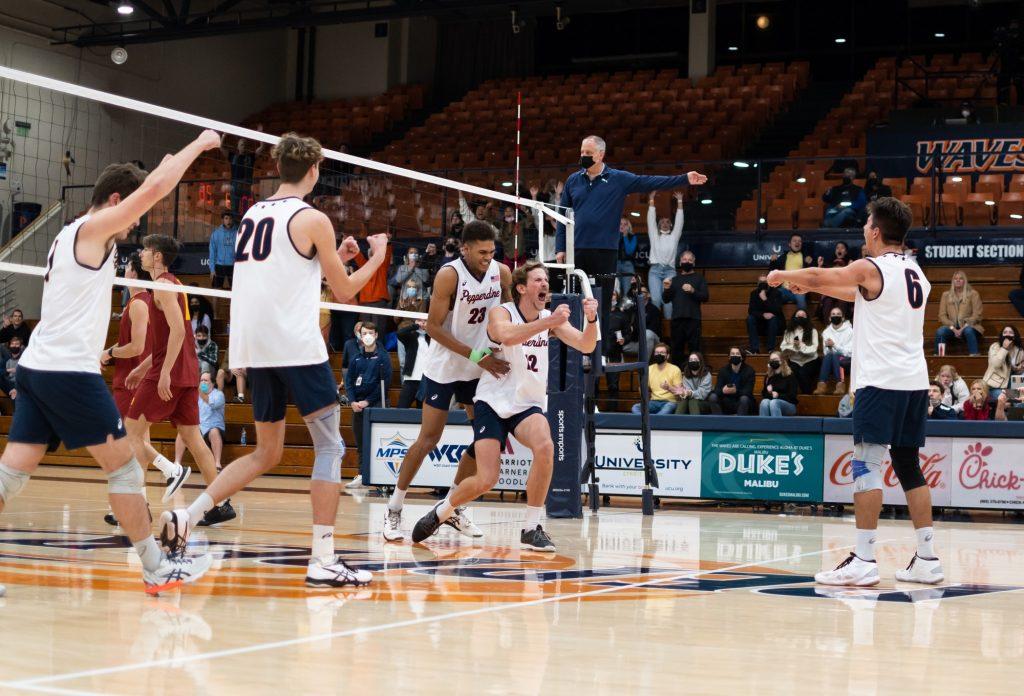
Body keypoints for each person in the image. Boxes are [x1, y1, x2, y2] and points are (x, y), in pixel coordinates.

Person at [161, 132, 389, 589]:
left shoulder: (250, 215)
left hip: (255, 345)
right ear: (314, 171)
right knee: (330, 447)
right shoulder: (313, 218)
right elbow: (345, 292)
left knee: (269, 452)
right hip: (295, 345)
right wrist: (379, 257)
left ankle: (188, 516)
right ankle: (323, 558)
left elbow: (288, 271)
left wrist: (331, 257)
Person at [0, 130, 221, 597]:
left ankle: (156, 566)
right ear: (116, 200)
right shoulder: (92, 228)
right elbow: (156, 190)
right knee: (124, 470)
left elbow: (151, 186)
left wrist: (159, 169)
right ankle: (156, 568)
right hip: (66, 372)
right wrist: (197, 146)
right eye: (129, 216)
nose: (131, 229)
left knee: (12, 473)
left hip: (39, 368)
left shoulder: (71, 235)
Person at [768, 197, 943, 587]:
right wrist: (811, 287)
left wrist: (784, 276)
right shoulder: (916, 272)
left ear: (876, 232)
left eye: (867, 223)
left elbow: (830, 278)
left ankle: (864, 559)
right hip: (913, 382)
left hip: (880, 382)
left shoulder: (870, 266)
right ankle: (928, 557)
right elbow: (863, 295)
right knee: (909, 466)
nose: (864, 228)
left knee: (865, 463)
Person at [411, 262, 598, 552]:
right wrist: (547, 324)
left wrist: (592, 319)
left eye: (546, 280)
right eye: (538, 280)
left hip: (527, 405)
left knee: (545, 447)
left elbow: (586, 346)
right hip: (492, 402)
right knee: (487, 479)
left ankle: (531, 527)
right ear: (522, 287)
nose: (545, 285)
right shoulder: (502, 312)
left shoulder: (551, 318)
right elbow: (506, 335)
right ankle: (442, 511)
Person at [382, 221, 512, 543]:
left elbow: (510, 315)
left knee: (487, 441)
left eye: (491, 251)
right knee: (428, 440)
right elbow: (435, 328)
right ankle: (394, 507)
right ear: (465, 249)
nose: (487, 257)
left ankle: (450, 505)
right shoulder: (448, 274)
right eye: (482, 252)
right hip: (445, 366)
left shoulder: (502, 273)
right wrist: (478, 355)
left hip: (479, 367)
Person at [554, 135, 706, 332]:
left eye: (588, 153)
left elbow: (650, 181)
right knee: (574, 300)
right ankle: (574, 350)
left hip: (605, 251)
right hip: (577, 249)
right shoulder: (573, 180)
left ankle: (601, 352)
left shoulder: (618, 178)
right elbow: (561, 216)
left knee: (603, 302)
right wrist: (560, 248)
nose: (583, 156)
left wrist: (684, 178)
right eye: (582, 152)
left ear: (601, 155)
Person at [124, 235, 226, 524]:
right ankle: (219, 504)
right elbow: (169, 339)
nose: (141, 254)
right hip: (185, 372)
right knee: (194, 438)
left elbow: (180, 333)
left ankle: (140, 502)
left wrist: (164, 372)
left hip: (170, 373)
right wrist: (144, 367)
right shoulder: (172, 284)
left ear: (157, 257)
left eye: (145, 250)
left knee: (130, 434)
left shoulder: (164, 287)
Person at [100, 252, 190, 526]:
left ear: (135, 274)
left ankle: (140, 499)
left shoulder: (140, 303)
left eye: (126, 268)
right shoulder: (138, 303)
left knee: (127, 443)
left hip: (131, 382)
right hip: (132, 379)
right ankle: (153, 489)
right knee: (136, 443)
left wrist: (109, 352)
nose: (123, 272)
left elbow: (139, 347)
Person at [346, 321, 392, 454]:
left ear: (376, 335)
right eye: (364, 333)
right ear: (360, 336)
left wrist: (367, 401)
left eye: (370, 333)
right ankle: (361, 474)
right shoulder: (356, 358)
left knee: (377, 445)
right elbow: (349, 382)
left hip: (376, 404)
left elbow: (384, 384)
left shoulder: (384, 357)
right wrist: (353, 401)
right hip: (357, 407)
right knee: (360, 445)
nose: (367, 336)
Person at [662, 250, 708, 368]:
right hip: (677, 319)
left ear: (693, 262)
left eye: (689, 260)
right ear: (680, 261)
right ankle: (678, 374)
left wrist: (693, 291)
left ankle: (697, 374)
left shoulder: (699, 278)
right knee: (676, 349)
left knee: (695, 349)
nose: (686, 262)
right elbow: (666, 299)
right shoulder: (675, 280)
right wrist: (666, 288)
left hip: (693, 318)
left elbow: (705, 297)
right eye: (684, 260)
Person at [173, 371, 226, 472]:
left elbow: (212, 403)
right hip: (198, 427)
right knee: (182, 432)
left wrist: (200, 393)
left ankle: (217, 464)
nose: (202, 383)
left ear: (212, 383)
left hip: (213, 427)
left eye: (205, 380)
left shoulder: (219, 394)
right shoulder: (195, 395)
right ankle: (177, 463)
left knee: (214, 432)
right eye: (201, 380)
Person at [646, 191, 685, 313]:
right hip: (655, 271)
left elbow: (680, 221)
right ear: (658, 225)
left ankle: (670, 330)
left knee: (668, 301)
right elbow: (650, 219)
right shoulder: (654, 235)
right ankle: (656, 329)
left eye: (667, 222)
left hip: (670, 271)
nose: (664, 224)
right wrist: (651, 200)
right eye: (662, 222)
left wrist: (679, 201)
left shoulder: (674, 236)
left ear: (671, 225)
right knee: (656, 300)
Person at [935, 270, 984, 356]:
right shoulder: (946, 295)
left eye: (961, 278)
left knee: (968, 331)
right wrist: (953, 328)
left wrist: (962, 328)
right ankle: (939, 356)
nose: (958, 280)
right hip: (951, 326)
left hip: (969, 325)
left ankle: (974, 355)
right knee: (940, 331)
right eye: (955, 278)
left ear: (964, 281)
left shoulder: (973, 294)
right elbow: (942, 315)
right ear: (953, 281)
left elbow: (977, 314)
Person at [221, 131, 266, 213]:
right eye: (241, 145)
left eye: (245, 145)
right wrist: (224, 136)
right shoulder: (233, 156)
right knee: (234, 209)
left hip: (247, 186)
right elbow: (221, 147)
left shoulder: (251, 157)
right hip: (235, 186)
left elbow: (262, 147)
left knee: (247, 210)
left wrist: (260, 133)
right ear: (238, 147)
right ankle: (236, 224)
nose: (243, 146)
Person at [631, 343, 680, 415]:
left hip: (670, 402)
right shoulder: (649, 369)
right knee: (635, 407)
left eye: (662, 352)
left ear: (668, 356)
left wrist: (669, 388)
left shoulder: (675, 369)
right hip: (653, 402)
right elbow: (644, 388)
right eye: (657, 352)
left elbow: (679, 392)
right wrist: (641, 388)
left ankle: (651, 421)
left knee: (666, 410)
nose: (659, 354)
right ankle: (654, 421)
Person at [779, 310, 821, 395]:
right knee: (791, 373)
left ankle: (807, 396)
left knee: (803, 373)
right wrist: (793, 347)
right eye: (798, 316)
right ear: (794, 318)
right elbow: (783, 347)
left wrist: (801, 346)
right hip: (795, 360)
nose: (800, 318)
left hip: (811, 360)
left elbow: (813, 349)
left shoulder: (813, 331)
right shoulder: (788, 331)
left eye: (803, 316)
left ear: (807, 318)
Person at [816, 306, 854, 395]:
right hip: (832, 359)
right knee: (830, 355)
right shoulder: (826, 332)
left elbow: (850, 352)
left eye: (838, 314)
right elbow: (825, 352)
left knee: (836, 355)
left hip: (847, 360)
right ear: (829, 318)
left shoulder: (850, 331)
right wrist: (829, 347)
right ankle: (822, 385)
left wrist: (834, 346)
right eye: (833, 314)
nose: (835, 316)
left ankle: (840, 384)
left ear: (843, 318)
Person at [768, 234, 812, 311]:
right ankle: (778, 322)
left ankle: (802, 321)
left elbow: (811, 275)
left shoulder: (806, 257)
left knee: (801, 302)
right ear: (789, 244)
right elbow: (772, 272)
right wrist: (772, 262)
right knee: (774, 299)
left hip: (799, 289)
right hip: (784, 290)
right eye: (794, 241)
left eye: (799, 241)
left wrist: (810, 263)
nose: (797, 242)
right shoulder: (784, 257)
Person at [708, 347, 755, 415]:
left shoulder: (749, 371)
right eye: (732, 354)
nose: (735, 356)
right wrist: (723, 390)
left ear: (742, 357)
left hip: (741, 401)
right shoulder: (723, 370)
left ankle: (739, 423)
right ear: (729, 357)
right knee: (713, 397)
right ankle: (718, 423)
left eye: (737, 354)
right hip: (726, 401)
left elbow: (748, 392)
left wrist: (736, 391)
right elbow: (717, 390)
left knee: (744, 399)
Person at [983, 325, 1024, 401]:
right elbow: (996, 364)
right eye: (1005, 332)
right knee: (1016, 397)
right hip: (995, 386)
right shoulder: (995, 346)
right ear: (1002, 335)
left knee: (1020, 396)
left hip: (1011, 382)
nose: (1008, 334)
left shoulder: (1019, 350)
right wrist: (1004, 348)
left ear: (1015, 336)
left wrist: (1019, 369)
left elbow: (1018, 369)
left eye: (1011, 332)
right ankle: (1016, 397)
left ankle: (1017, 400)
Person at [746, 274, 784, 355]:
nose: (763, 284)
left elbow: (777, 311)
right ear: (758, 283)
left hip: (773, 323)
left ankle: (770, 349)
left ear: (769, 282)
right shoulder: (754, 293)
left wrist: (765, 299)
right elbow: (751, 310)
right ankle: (755, 349)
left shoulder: (777, 293)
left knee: (773, 318)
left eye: (765, 282)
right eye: (761, 282)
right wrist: (763, 314)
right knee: (750, 318)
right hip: (759, 322)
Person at [816, 241, 854, 322]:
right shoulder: (829, 263)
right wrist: (819, 266)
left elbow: (852, 281)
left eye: (842, 248)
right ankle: (828, 328)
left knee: (842, 301)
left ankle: (841, 327)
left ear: (846, 251)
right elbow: (820, 278)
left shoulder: (850, 263)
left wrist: (851, 267)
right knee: (827, 302)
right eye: (837, 248)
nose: (839, 249)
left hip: (843, 292)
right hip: (830, 292)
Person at [396, 318, 429, 408]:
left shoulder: (432, 339)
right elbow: (400, 333)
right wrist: (416, 326)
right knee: (401, 408)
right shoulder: (411, 337)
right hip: (410, 379)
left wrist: (430, 327)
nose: (422, 323)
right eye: (419, 320)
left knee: (421, 411)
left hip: (426, 380)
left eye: (425, 321)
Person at [759, 352, 799, 417]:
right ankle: (763, 426)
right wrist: (769, 393)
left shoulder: (790, 375)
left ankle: (776, 426)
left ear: (781, 361)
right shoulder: (768, 376)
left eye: (775, 359)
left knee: (774, 402)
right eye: (771, 360)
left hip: (789, 405)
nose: (773, 362)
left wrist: (778, 395)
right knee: (764, 402)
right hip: (772, 403)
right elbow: (764, 394)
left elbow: (792, 396)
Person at [208, 211, 237, 289]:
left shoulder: (238, 233)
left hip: (234, 266)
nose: (228, 221)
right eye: (226, 218)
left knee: (235, 290)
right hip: (219, 266)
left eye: (230, 219)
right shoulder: (216, 234)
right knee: (216, 290)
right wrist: (212, 270)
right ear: (222, 220)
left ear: (233, 220)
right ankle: (214, 302)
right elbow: (212, 252)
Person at [616, 217, 638, 297]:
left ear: (628, 226)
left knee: (627, 290)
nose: (622, 226)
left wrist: (625, 236)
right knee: (616, 290)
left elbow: (629, 251)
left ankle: (626, 309)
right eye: (620, 224)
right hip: (615, 264)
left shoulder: (633, 237)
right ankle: (616, 309)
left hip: (628, 265)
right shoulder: (613, 236)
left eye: (625, 224)